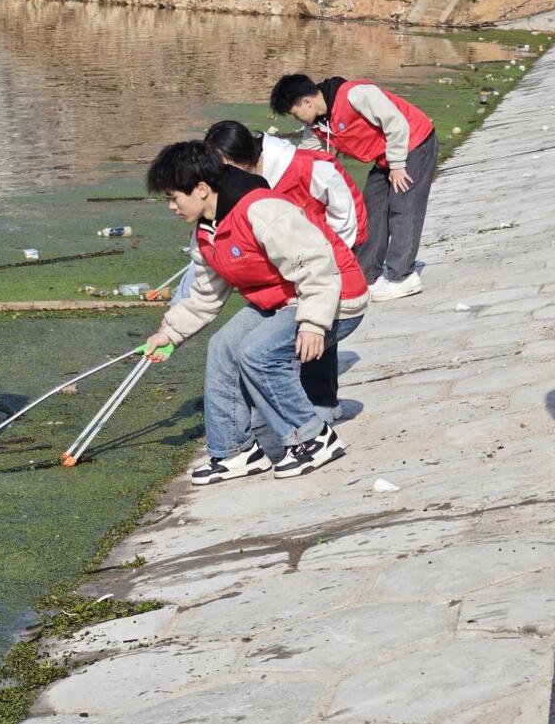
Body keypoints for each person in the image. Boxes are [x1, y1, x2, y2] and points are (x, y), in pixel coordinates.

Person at [143, 141, 369, 484]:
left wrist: (312, 323)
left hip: (334, 298)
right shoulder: (206, 231)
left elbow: (317, 264)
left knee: (258, 353)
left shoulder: (262, 210)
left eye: (174, 197)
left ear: (202, 190)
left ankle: (312, 438)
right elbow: (205, 294)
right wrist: (170, 332)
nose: (171, 207)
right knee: (223, 348)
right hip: (281, 300)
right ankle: (235, 451)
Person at [203, 120, 368, 424]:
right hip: (287, 268)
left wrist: (334, 252)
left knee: (314, 325)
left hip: (326, 257)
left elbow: (344, 210)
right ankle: (293, 404)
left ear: (242, 160)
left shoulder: (305, 167)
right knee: (274, 335)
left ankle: (320, 403)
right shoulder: (233, 195)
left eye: (223, 167)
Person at [269, 74, 438, 302]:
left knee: (403, 206)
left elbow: (395, 122)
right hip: (384, 157)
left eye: (293, 113)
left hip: (414, 143)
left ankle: (403, 277)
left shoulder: (355, 95)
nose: (296, 119)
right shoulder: (318, 127)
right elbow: (307, 159)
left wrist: (398, 164)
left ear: (305, 103)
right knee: (370, 209)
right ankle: (367, 276)